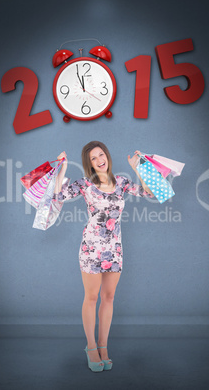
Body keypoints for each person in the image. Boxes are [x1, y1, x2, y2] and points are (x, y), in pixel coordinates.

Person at [53, 141, 154, 372]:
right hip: (91, 248)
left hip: (115, 248)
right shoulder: (85, 184)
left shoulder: (122, 182)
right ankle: (90, 347)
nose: (99, 160)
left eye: (101, 154)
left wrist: (137, 166)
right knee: (92, 297)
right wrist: (63, 168)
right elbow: (57, 195)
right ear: (89, 164)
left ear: (107, 155)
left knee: (108, 297)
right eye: (93, 158)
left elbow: (149, 192)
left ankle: (103, 347)